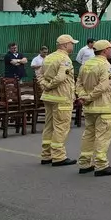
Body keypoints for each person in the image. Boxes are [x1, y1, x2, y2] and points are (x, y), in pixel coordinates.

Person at [76, 40, 111, 176]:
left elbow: (78, 83)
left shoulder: (86, 64)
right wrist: (89, 97)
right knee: (103, 136)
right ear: (104, 51)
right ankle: (101, 165)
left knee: (88, 134)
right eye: (110, 48)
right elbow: (103, 86)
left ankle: (84, 163)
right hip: (103, 106)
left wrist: (83, 96)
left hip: (89, 107)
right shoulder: (106, 65)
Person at [38, 35, 79, 166]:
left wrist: (44, 85)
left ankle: (46, 155)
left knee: (49, 126)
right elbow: (61, 77)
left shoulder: (48, 57)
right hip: (61, 97)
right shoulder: (65, 59)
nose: (73, 46)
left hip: (48, 97)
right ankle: (58, 156)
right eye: (71, 43)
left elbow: (39, 74)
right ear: (65, 45)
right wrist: (49, 85)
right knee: (61, 127)